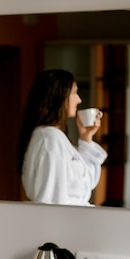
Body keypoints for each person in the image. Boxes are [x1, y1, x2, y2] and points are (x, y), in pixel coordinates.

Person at [17, 69, 107, 206]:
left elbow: (86, 182)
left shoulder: (55, 137)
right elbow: (51, 200)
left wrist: (86, 137)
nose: (79, 99)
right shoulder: (49, 140)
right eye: (74, 93)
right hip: (66, 222)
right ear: (59, 97)